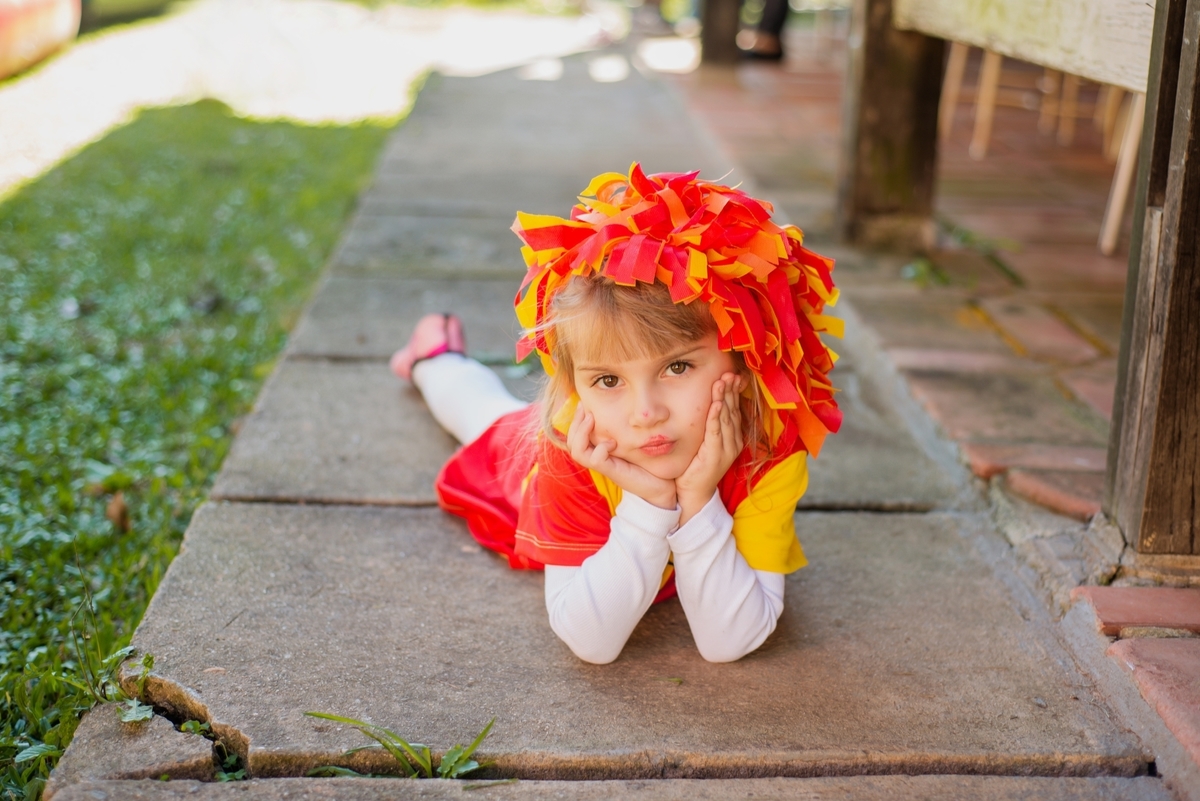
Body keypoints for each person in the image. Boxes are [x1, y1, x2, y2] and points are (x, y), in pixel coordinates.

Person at [390, 164, 841, 664]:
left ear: (743, 355)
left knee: (499, 411)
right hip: (552, 465)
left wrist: (696, 498)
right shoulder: (570, 446)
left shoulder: (768, 448)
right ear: (576, 388)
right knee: (484, 416)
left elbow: (729, 642)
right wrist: (651, 503)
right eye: (608, 380)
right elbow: (592, 644)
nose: (646, 413)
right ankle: (435, 359)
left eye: (678, 366)